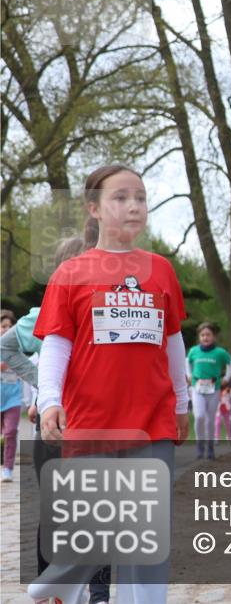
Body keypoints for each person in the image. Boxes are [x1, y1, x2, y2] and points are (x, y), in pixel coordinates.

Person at [30, 164, 189, 604]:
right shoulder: (71, 273)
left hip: (152, 420)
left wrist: (181, 403)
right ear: (94, 208)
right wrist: (50, 401)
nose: (133, 206)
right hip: (92, 421)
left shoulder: (162, 271)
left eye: (140, 197)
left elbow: (173, 341)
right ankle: (56, 588)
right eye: (120, 197)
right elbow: (56, 345)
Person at [0, 237, 111, 604]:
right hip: (56, 425)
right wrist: (45, 389)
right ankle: (49, 587)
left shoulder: (106, 308)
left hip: (98, 421)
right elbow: (5, 347)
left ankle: (98, 592)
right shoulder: (40, 314)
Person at [187, 322, 231, 459]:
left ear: (213, 336)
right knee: (199, 416)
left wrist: (227, 377)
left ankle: (210, 447)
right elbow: (187, 362)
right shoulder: (194, 351)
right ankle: (200, 445)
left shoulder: (220, 352)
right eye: (202, 335)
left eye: (208, 335)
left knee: (210, 419)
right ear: (199, 337)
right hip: (197, 388)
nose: (205, 337)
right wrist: (189, 375)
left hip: (214, 389)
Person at [1, 309, 21, 482]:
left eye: (10, 326)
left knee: (11, 432)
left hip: (13, 398)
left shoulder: (17, 347)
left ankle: (8, 468)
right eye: (3, 326)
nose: (6, 329)